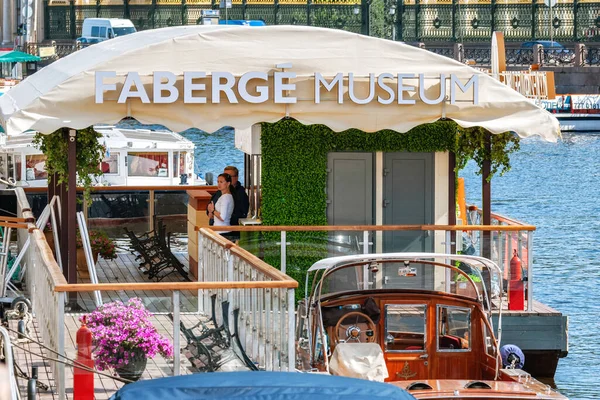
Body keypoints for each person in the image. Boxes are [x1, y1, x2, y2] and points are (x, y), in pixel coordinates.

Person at [209, 173, 236, 240]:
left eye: (221, 182)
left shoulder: (226, 197)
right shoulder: (223, 197)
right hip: (219, 230)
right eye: (218, 182)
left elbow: (222, 217)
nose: (219, 184)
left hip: (222, 232)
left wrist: (213, 210)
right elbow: (213, 217)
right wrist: (210, 211)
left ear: (228, 183)